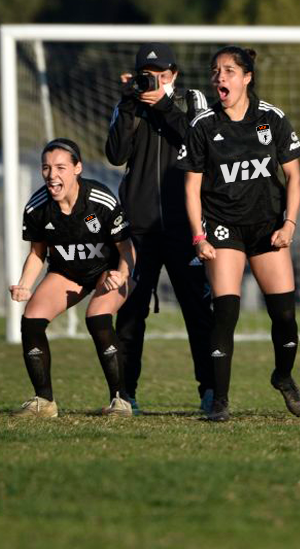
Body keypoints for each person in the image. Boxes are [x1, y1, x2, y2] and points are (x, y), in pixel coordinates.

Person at [179, 45, 300, 422]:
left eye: (229, 71)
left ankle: (283, 376)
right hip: (222, 227)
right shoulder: (202, 125)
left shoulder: (272, 119)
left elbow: (295, 177)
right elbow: (191, 188)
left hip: (268, 228)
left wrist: (289, 224)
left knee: (284, 314)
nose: (220, 77)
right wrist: (198, 237)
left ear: (247, 77)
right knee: (226, 312)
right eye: (215, 71)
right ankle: (219, 401)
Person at [105, 42, 215, 414]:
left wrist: (164, 105)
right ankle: (124, 393)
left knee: (198, 313)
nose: (157, 81)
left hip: (185, 228)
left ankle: (210, 390)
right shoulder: (129, 104)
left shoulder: (190, 101)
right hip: (139, 228)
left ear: (175, 76)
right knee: (131, 312)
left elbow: (198, 145)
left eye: (164, 75)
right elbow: (116, 155)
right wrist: (129, 106)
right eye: (150, 75)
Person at [10, 138, 136, 417]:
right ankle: (44, 402)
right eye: (46, 168)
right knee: (30, 322)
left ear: (77, 168)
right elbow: (37, 254)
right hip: (67, 272)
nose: (52, 176)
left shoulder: (100, 199)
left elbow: (126, 247)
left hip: (109, 269)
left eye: (60, 168)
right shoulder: (37, 208)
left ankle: (121, 400)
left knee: (97, 317)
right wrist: (24, 286)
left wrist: (122, 274)